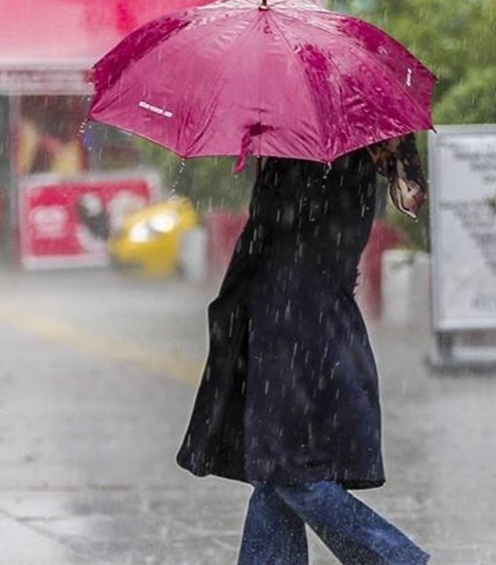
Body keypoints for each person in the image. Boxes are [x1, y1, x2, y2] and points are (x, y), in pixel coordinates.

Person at [176, 135, 429, 565]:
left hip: (288, 319)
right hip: (322, 315)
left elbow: (272, 231)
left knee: (289, 467)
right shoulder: (363, 145)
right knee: (275, 468)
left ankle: (397, 559)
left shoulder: (300, 146)